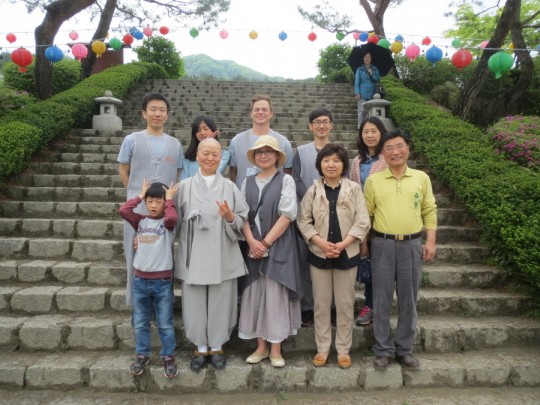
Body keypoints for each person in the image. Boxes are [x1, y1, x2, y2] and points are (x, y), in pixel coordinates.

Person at [364, 129, 437, 371]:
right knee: (381, 299)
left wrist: (430, 241)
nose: (395, 152)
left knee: (409, 299)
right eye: (389, 148)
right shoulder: (374, 181)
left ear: (408, 148)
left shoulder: (421, 178)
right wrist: (365, 245)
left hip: (412, 244)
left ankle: (405, 349)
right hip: (382, 244)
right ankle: (383, 349)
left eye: (399, 146)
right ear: (382, 153)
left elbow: (429, 209)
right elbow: (367, 215)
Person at [175, 138, 249, 372]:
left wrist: (229, 216)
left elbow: (242, 219)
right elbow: (172, 220)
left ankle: (217, 346)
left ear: (221, 158)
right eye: (205, 153)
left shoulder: (230, 186)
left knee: (222, 299)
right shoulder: (184, 186)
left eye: (215, 154)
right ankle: (200, 346)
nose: (210, 158)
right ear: (197, 156)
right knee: (194, 301)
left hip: (221, 251)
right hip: (193, 252)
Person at [297, 143, 371, 369]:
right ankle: (322, 348)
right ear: (320, 164)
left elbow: (363, 221)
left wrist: (343, 244)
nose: (331, 164)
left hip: (347, 253)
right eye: (326, 160)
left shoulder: (354, 189)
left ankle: (343, 349)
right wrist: (320, 243)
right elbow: (303, 221)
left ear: (343, 165)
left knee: (345, 303)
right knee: (321, 304)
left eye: (336, 160)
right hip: (319, 254)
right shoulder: (313, 190)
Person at [238, 135, 303, 368]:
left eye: (268, 151)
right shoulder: (247, 182)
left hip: (278, 244)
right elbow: (242, 215)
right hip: (252, 246)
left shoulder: (286, 180)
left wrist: (264, 243)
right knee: (255, 294)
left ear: (277, 156)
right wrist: (251, 242)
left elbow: (287, 215)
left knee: (275, 295)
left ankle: (276, 348)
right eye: (259, 152)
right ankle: (261, 346)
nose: (263, 155)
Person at [117, 92, 184, 306]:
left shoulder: (175, 144)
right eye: (153, 109)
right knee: (133, 251)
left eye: (162, 110)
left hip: (165, 212)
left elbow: (178, 175)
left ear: (167, 115)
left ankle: (163, 304)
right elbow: (123, 171)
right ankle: (136, 304)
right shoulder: (132, 140)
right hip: (138, 210)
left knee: (164, 253)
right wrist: (136, 197)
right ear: (144, 113)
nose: (158, 114)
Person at [119, 180, 180, 378]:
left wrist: (169, 200)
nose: (153, 205)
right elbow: (124, 210)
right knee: (140, 321)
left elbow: (172, 217)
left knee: (165, 323)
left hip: (162, 282)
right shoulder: (140, 220)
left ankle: (168, 356)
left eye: (158, 201)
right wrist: (140, 195)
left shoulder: (168, 224)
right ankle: (142, 355)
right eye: (150, 201)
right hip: (140, 281)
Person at [292, 107, 334, 326]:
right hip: (306, 216)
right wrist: (313, 197)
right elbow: (296, 179)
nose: (321, 125)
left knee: (332, 261)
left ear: (331, 125)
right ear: (310, 126)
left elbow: (344, 178)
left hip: (334, 215)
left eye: (325, 121)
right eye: (317, 122)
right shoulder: (300, 152)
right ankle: (307, 307)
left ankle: (332, 308)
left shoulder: (338, 150)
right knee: (306, 261)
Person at [349, 116, 388, 326]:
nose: (369, 135)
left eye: (374, 131)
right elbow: (353, 190)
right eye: (365, 131)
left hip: (383, 220)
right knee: (368, 264)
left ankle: (376, 305)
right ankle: (369, 305)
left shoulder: (388, 158)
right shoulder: (357, 161)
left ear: (381, 133)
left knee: (380, 266)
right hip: (362, 221)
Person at [228, 94, 294, 189]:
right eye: (256, 109)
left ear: (271, 113)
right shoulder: (237, 141)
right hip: (242, 196)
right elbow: (233, 170)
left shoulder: (283, 142)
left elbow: (287, 171)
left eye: (264, 109)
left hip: (274, 196)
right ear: (251, 114)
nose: (260, 112)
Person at [180, 115, 230, 180]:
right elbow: (183, 181)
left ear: (213, 130)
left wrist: (208, 143)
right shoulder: (189, 157)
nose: (202, 133)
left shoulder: (223, 155)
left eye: (206, 129)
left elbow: (212, 173)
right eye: (198, 130)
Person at [354, 52, 380, 128]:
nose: (366, 59)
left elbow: (378, 80)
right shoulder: (359, 69)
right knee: (362, 111)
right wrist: (357, 93)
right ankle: (360, 128)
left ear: (371, 58)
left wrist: (372, 74)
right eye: (365, 57)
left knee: (370, 112)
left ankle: (368, 128)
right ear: (363, 58)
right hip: (362, 93)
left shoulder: (375, 69)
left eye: (368, 57)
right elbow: (357, 82)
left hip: (373, 94)